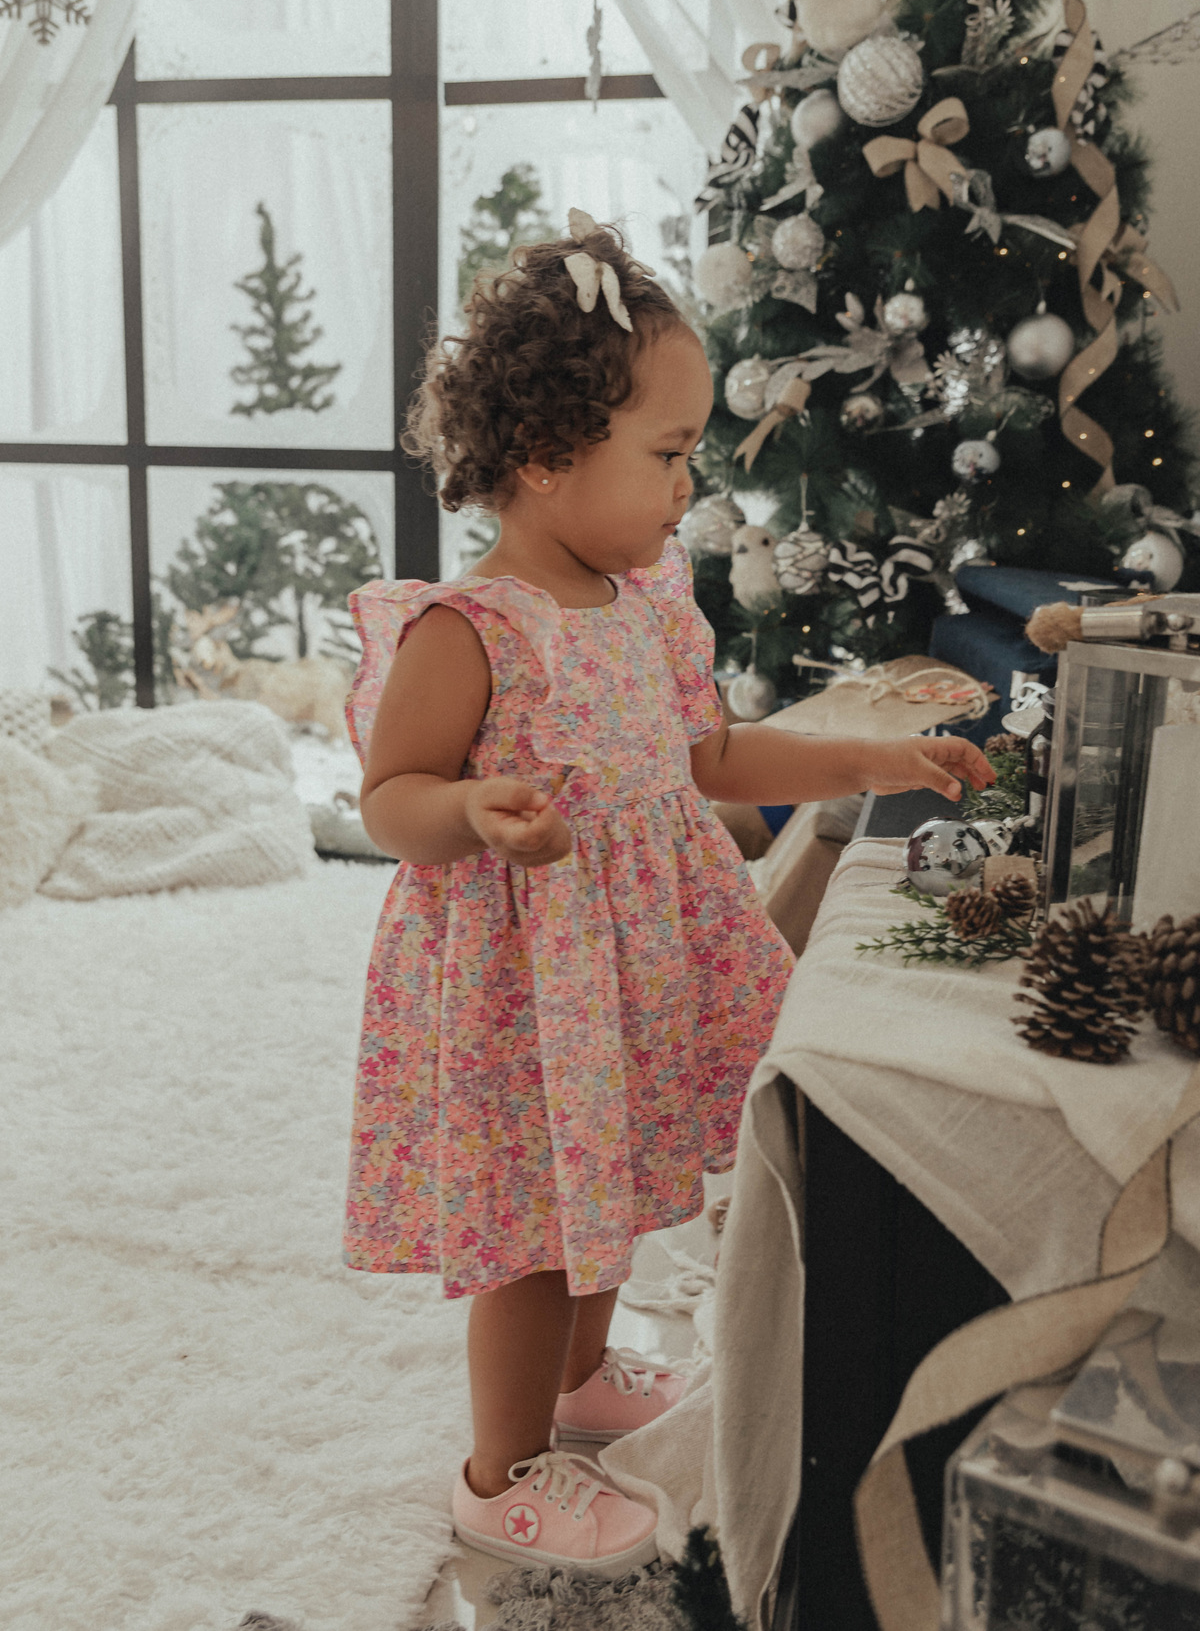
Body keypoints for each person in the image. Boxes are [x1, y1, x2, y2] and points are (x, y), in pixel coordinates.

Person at [344, 210, 994, 1578]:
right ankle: (499, 1472)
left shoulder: (648, 604)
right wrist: (469, 810)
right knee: (538, 1230)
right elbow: (390, 795)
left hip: (634, 963)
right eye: (667, 454)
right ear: (544, 455)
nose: (688, 489)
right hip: (530, 985)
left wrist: (872, 757)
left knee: (618, 1182)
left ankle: (585, 1383)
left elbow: (713, 757)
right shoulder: (472, 629)